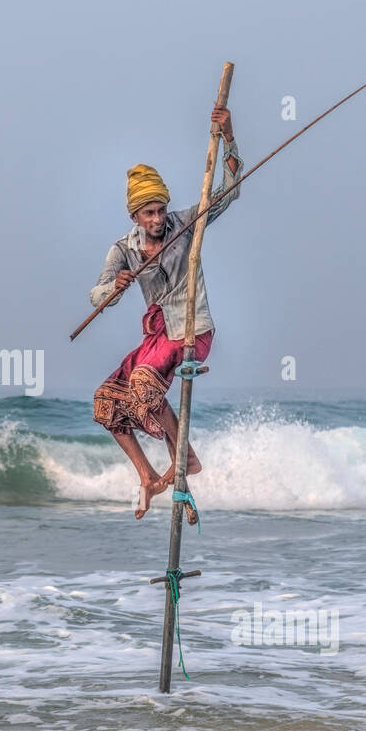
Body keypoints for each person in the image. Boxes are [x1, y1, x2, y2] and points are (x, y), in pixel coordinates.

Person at [90, 106, 243, 520]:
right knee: (106, 401)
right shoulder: (123, 249)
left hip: (192, 329)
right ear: (135, 217)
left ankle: (185, 460)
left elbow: (231, 190)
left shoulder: (185, 223)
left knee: (143, 384)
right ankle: (146, 474)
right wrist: (115, 287)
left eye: (160, 210)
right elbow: (97, 296)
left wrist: (228, 137)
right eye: (149, 214)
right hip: (157, 336)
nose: (157, 219)